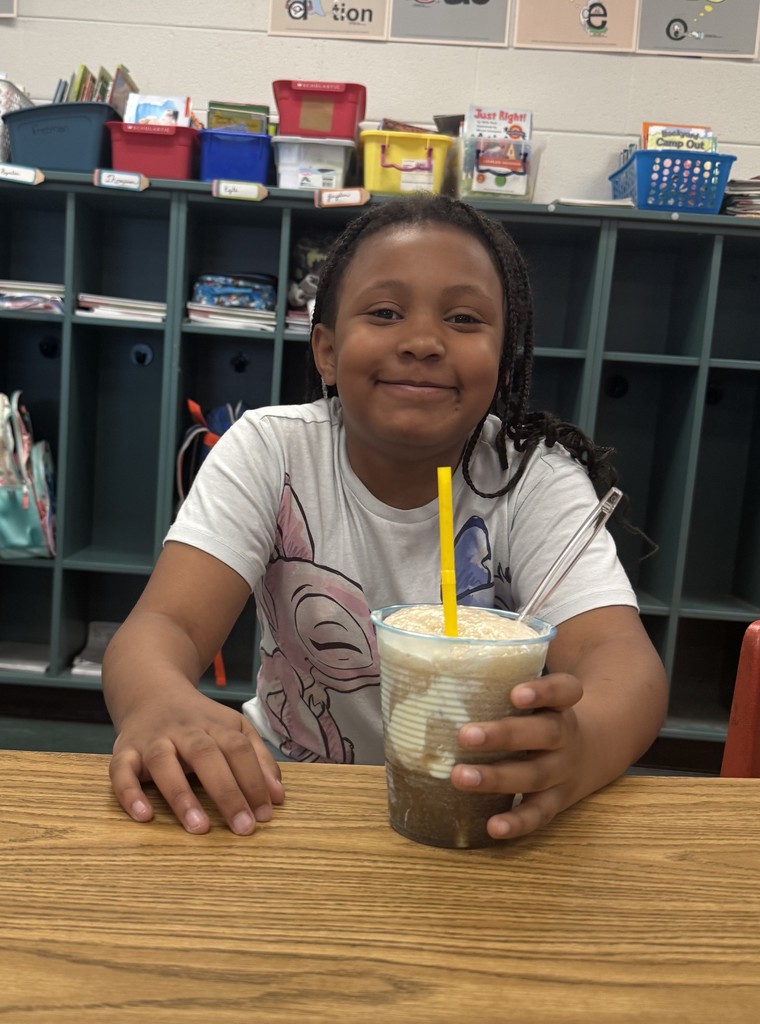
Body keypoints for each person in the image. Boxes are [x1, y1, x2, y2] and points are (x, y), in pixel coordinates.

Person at [103, 193, 668, 841]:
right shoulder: (271, 449)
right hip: (286, 791)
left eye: (462, 318)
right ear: (325, 350)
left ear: (504, 358)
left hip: (478, 803)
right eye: (385, 312)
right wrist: (157, 700)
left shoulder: (533, 479)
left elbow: (620, 661)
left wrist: (582, 744)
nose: (424, 342)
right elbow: (164, 623)